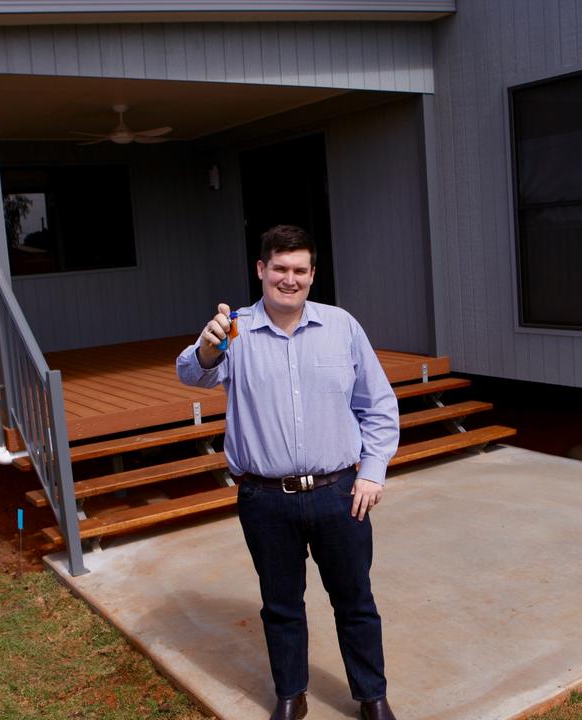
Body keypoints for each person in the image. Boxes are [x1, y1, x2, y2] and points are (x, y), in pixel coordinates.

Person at [176, 225, 400, 720]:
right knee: (280, 605)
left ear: (313, 274)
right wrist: (209, 347)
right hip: (264, 499)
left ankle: (372, 696)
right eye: (279, 268)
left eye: (300, 270)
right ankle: (290, 695)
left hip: (339, 493)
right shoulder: (232, 329)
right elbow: (192, 372)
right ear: (261, 270)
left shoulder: (342, 327)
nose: (289, 279)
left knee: (355, 601)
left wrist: (372, 472)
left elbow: (379, 405)